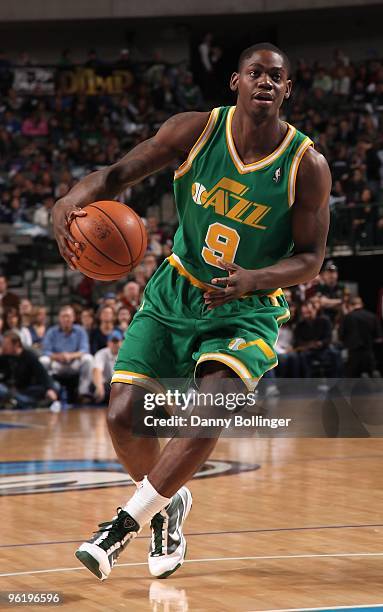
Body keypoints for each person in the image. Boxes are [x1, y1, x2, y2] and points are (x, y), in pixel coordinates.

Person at [52, 43, 331, 581]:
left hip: (245, 305)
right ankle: (168, 506)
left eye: (277, 76)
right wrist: (69, 199)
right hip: (176, 288)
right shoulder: (194, 131)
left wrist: (256, 279)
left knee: (211, 407)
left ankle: (123, 525)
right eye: (256, 73)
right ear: (236, 81)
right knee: (121, 414)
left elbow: (312, 259)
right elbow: (115, 176)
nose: (266, 83)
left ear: (288, 89)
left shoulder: (306, 165)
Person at [40, 305, 93, 400]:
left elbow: (84, 350)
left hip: (74, 363)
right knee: (43, 360)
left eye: (68, 316)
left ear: (73, 318)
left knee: (88, 359)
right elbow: (46, 351)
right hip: (57, 364)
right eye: (63, 316)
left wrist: (70, 356)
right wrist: (59, 356)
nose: (66, 319)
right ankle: (49, 391)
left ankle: (83, 392)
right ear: (59, 318)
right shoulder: (51, 332)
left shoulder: (80, 331)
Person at [0, 331, 58, 410]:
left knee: (56, 386)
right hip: (9, 389)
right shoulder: (4, 356)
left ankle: (17, 402)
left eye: (6, 344)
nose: (3, 346)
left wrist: (50, 389)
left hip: (25, 389)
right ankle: (24, 403)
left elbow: (42, 373)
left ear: (16, 345)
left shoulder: (29, 356)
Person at [339, 296, 382, 377]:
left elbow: (341, 337)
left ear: (349, 305)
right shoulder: (373, 316)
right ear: (361, 304)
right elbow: (379, 339)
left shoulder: (347, 317)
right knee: (372, 376)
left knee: (351, 379)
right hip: (369, 353)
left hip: (353, 355)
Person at [92, 330, 123, 404]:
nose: (115, 344)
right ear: (108, 343)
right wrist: (99, 387)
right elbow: (97, 370)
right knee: (96, 390)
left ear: (121, 342)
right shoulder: (101, 353)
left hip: (120, 385)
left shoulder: (126, 355)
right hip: (105, 385)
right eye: (113, 341)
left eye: (117, 341)